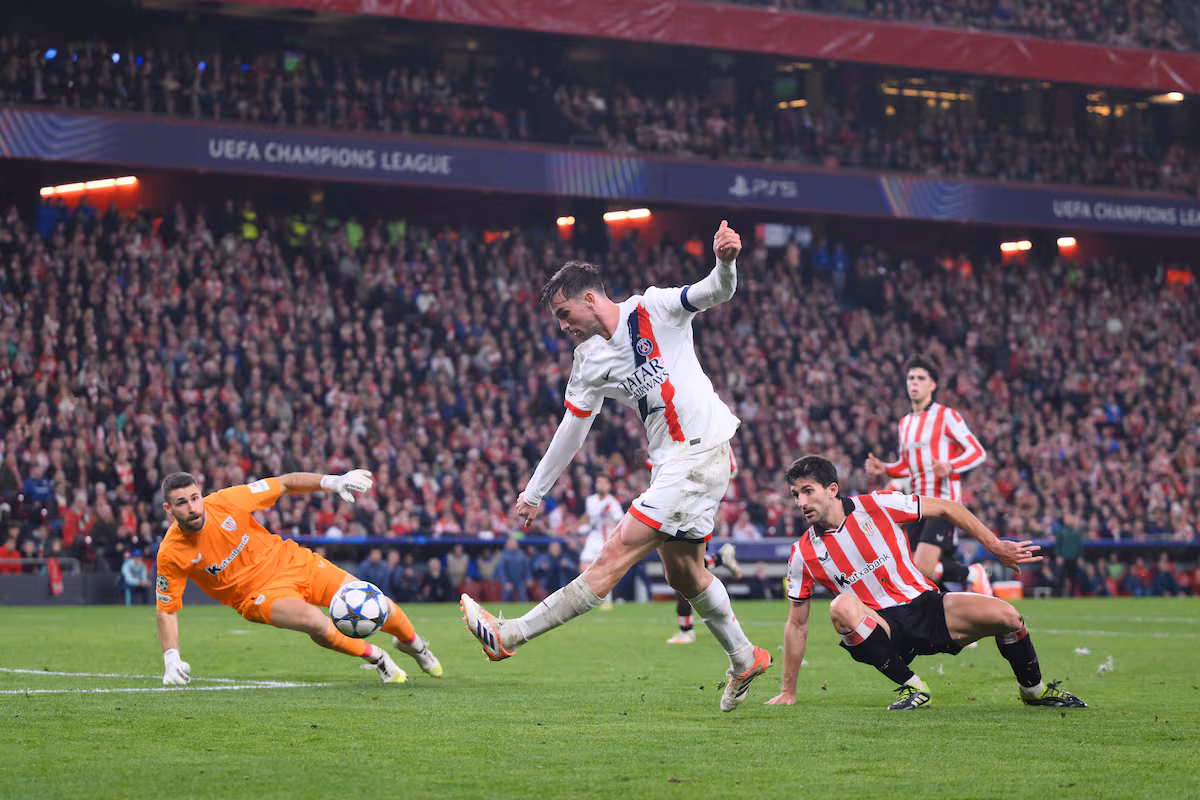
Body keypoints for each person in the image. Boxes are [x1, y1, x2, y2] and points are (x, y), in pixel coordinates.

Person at [461, 220, 773, 713]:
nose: (562, 325)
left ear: (589, 298)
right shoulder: (588, 359)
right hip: (671, 463)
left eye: (564, 313)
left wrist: (726, 261)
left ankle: (510, 635)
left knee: (613, 554)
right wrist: (534, 492)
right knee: (685, 575)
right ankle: (745, 657)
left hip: (699, 452)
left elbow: (716, 290)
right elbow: (572, 428)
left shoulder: (653, 308)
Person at [765, 455, 1085, 711]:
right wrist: (788, 691)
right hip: (884, 629)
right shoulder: (803, 553)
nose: (801, 502)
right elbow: (797, 624)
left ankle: (1034, 691)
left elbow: (947, 507)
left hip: (927, 606)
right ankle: (913, 686)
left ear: (832, 489)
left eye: (808, 491)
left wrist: (995, 545)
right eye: (795, 495)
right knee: (841, 606)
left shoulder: (877, 505)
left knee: (1009, 617)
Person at [155, 470, 442, 686]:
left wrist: (333, 481)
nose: (192, 507)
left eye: (195, 498)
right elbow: (166, 609)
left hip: (294, 561)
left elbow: (285, 482)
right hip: (256, 595)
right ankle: (377, 657)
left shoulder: (226, 501)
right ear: (169, 509)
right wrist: (171, 658)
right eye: (182, 503)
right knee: (316, 621)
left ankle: (413, 643)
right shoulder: (171, 552)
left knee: (374, 600)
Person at [866, 355, 992, 596]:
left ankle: (973, 574)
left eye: (921, 378)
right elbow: (907, 466)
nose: (914, 382)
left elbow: (978, 451)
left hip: (943, 503)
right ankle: (955, 608)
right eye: (911, 378)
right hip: (916, 504)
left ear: (932, 384)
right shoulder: (904, 423)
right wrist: (885, 468)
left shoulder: (946, 416)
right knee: (914, 574)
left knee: (922, 567)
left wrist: (951, 466)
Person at [578, 475, 623, 608]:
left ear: (609, 486)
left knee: (604, 570)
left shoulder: (612, 503)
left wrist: (611, 527)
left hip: (606, 538)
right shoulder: (590, 500)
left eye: (603, 482)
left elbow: (620, 522)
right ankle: (586, 599)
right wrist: (583, 531)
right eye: (598, 482)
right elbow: (588, 518)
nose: (600, 485)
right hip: (593, 537)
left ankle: (607, 601)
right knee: (583, 567)